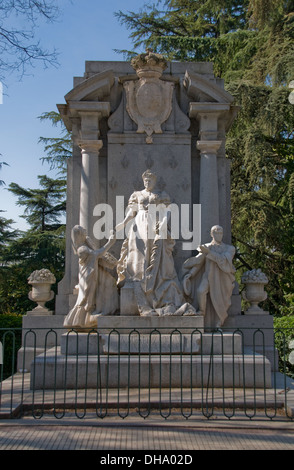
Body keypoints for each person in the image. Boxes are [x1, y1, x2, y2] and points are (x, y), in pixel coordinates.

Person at [116, 170, 195, 316]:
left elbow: (168, 211)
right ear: (143, 181)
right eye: (146, 180)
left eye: (150, 180)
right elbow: (131, 212)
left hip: (156, 224)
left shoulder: (161, 194)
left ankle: (154, 287)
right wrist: (123, 223)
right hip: (139, 225)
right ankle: (140, 288)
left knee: (156, 255)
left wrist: (164, 222)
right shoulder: (137, 194)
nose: (148, 182)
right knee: (139, 257)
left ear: (155, 181)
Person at [63, 225, 118, 329]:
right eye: (83, 230)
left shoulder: (84, 246)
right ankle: (80, 320)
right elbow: (98, 254)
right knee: (86, 298)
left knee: (89, 297)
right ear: (79, 234)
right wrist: (110, 242)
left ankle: (83, 320)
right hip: (88, 276)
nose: (85, 231)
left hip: (91, 274)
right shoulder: (82, 249)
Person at [182, 225, 235, 327]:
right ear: (211, 234)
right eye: (216, 233)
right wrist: (190, 274)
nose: (219, 235)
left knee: (220, 299)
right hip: (207, 276)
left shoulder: (229, 249)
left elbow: (223, 261)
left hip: (221, 279)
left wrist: (209, 252)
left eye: (220, 233)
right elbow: (199, 262)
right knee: (200, 291)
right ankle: (202, 311)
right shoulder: (207, 247)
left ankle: (220, 320)